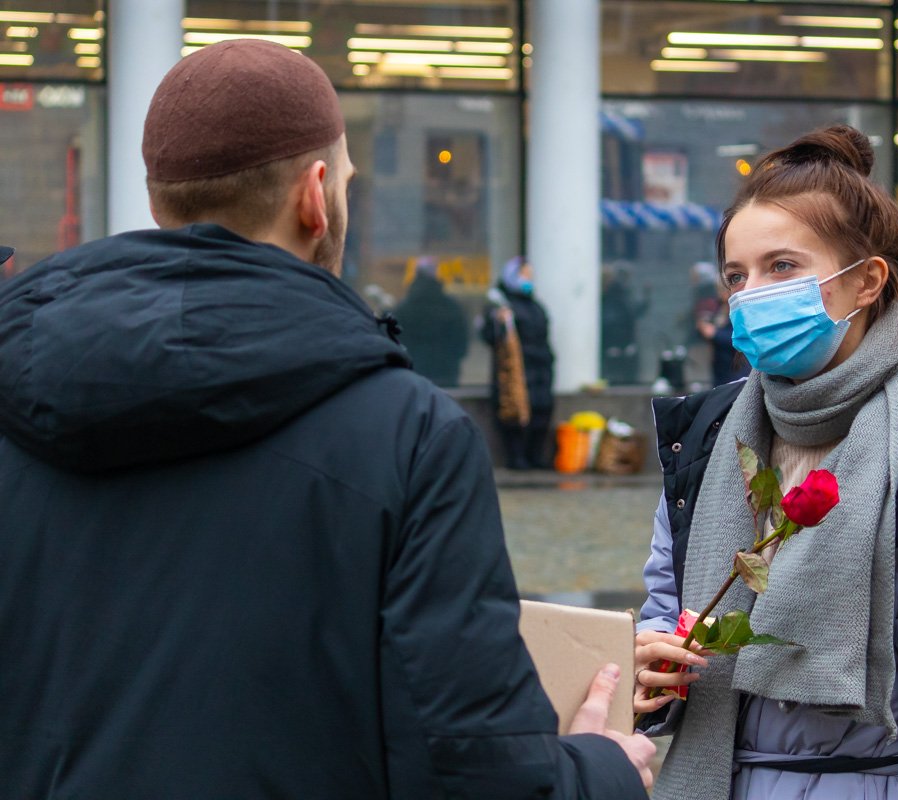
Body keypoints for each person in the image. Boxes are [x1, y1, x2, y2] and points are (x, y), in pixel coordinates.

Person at [0, 40, 653, 799]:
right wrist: (599, 771)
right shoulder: (410, 432)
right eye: (345, 178)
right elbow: (470, 769)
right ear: (316, 196)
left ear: (159, 202)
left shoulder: (16, 391)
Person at [632, 126, 898, 800]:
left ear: (866, 283)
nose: (750, 295)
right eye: (737, 275)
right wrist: (650, 660)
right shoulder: (710, 444)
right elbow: (665, 609)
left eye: (782, 267)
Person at [482, 255, 556, 470]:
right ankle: (516, 456)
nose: (528, 280)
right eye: (524, 275)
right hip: (517, 371)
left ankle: (535, 455)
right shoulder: (502, 306)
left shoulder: (534, 305)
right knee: (515, 414)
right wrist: (499, 322)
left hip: (540, 368)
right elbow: (491, 336)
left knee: (541, 412)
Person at [393, 256, 470, 387]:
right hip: (446, 372)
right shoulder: (451, 307)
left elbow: (397, 340)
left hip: (414, 372)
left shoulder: (404, 309)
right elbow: (461, 342)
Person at [601, 262, 650, 385]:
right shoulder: (618, 294)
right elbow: (630, 312)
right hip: (620, 341)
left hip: (615, 341)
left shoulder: (612, 295)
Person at [695, 281, 750, 387]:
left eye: (724, 290)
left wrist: (715, 334)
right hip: (720, 368)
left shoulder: (742, 310)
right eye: (720, 290)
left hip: (737, 370)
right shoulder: (718, 307)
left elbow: (743, 337)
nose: (721, 294)